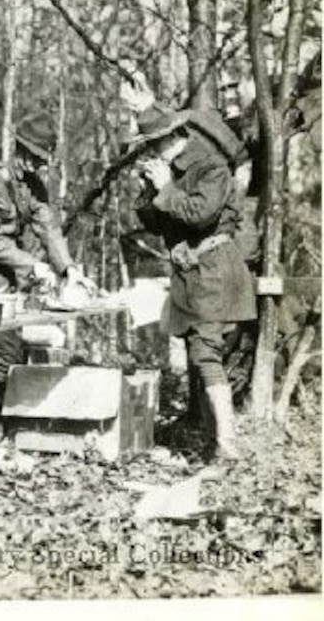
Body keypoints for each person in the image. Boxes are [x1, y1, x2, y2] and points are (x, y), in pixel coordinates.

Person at [130, 107, 257, 460]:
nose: (151, 153)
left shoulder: (210, 167)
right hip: (191, 273)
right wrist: (147, 193)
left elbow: (201, 215)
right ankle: (212, 441)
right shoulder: (169, 170)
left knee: (206, 354)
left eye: (154, 145)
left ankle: (227, 446)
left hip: (214, 269)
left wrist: (166, 188)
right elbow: (157, 224)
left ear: (172, 138)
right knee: (199, 354)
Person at [0, 112, 98, 451]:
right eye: (30, 156)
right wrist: (34, 266)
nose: (35, 164)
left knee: (11, 349)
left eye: (41, 159)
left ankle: (8, 425)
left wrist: (68, 268)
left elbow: (49, 229)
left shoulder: (36, 186)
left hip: (14, 268)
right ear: (17, 149)